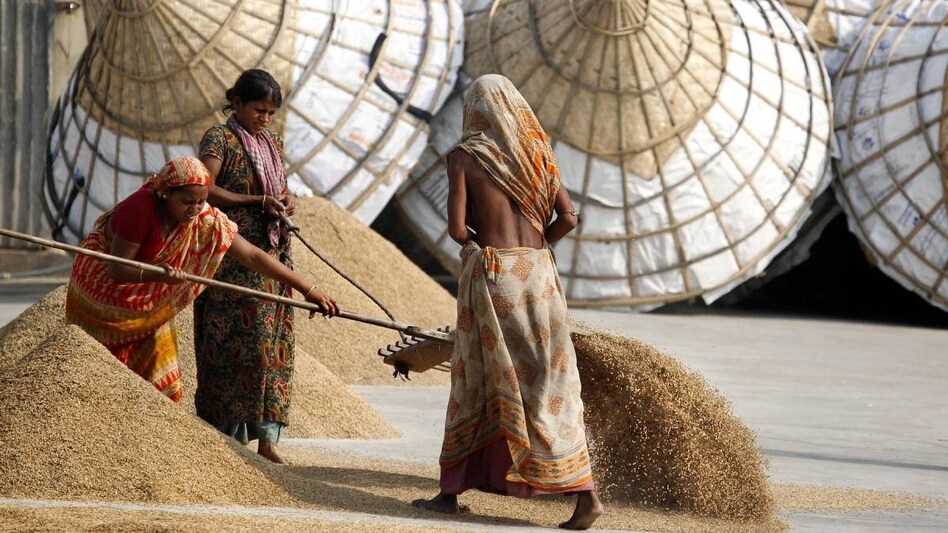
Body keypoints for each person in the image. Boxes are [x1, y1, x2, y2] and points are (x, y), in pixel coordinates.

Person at [410, 74, 603, 530]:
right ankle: (585, 497)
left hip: (497, 279)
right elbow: (569, 218)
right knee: (549, 388)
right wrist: (536, 248)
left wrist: (491, 250)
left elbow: (458, 231)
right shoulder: (539, 152)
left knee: (477, 379)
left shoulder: (465, 156)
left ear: (475, 111)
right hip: (539, 277)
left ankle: (450, 492)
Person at [66, 156, 338, 407]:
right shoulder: (138, 210)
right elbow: (118, 270)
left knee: (158, 364)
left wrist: (307, 289)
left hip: (147, 302)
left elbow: (254, 256)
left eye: (201, 201)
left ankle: (148, 425)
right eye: (187, 201)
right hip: (101, 294)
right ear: (165, 192)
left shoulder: (204, 218)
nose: (195, 209)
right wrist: (157, 273)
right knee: (98, 371)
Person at [194, 69, 299, 464]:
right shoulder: (219, 139)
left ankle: (269, 441)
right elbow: (202, 190)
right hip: (232, 266)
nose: (265, 119)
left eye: (271, 112)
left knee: (274, 350)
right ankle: (226, 443)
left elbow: (280, 189)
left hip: (273, 260)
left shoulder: (273, 143)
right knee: (237, 349)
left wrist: (286, 203)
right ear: (236, 103)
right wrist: (254, 202)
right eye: (259, 110)